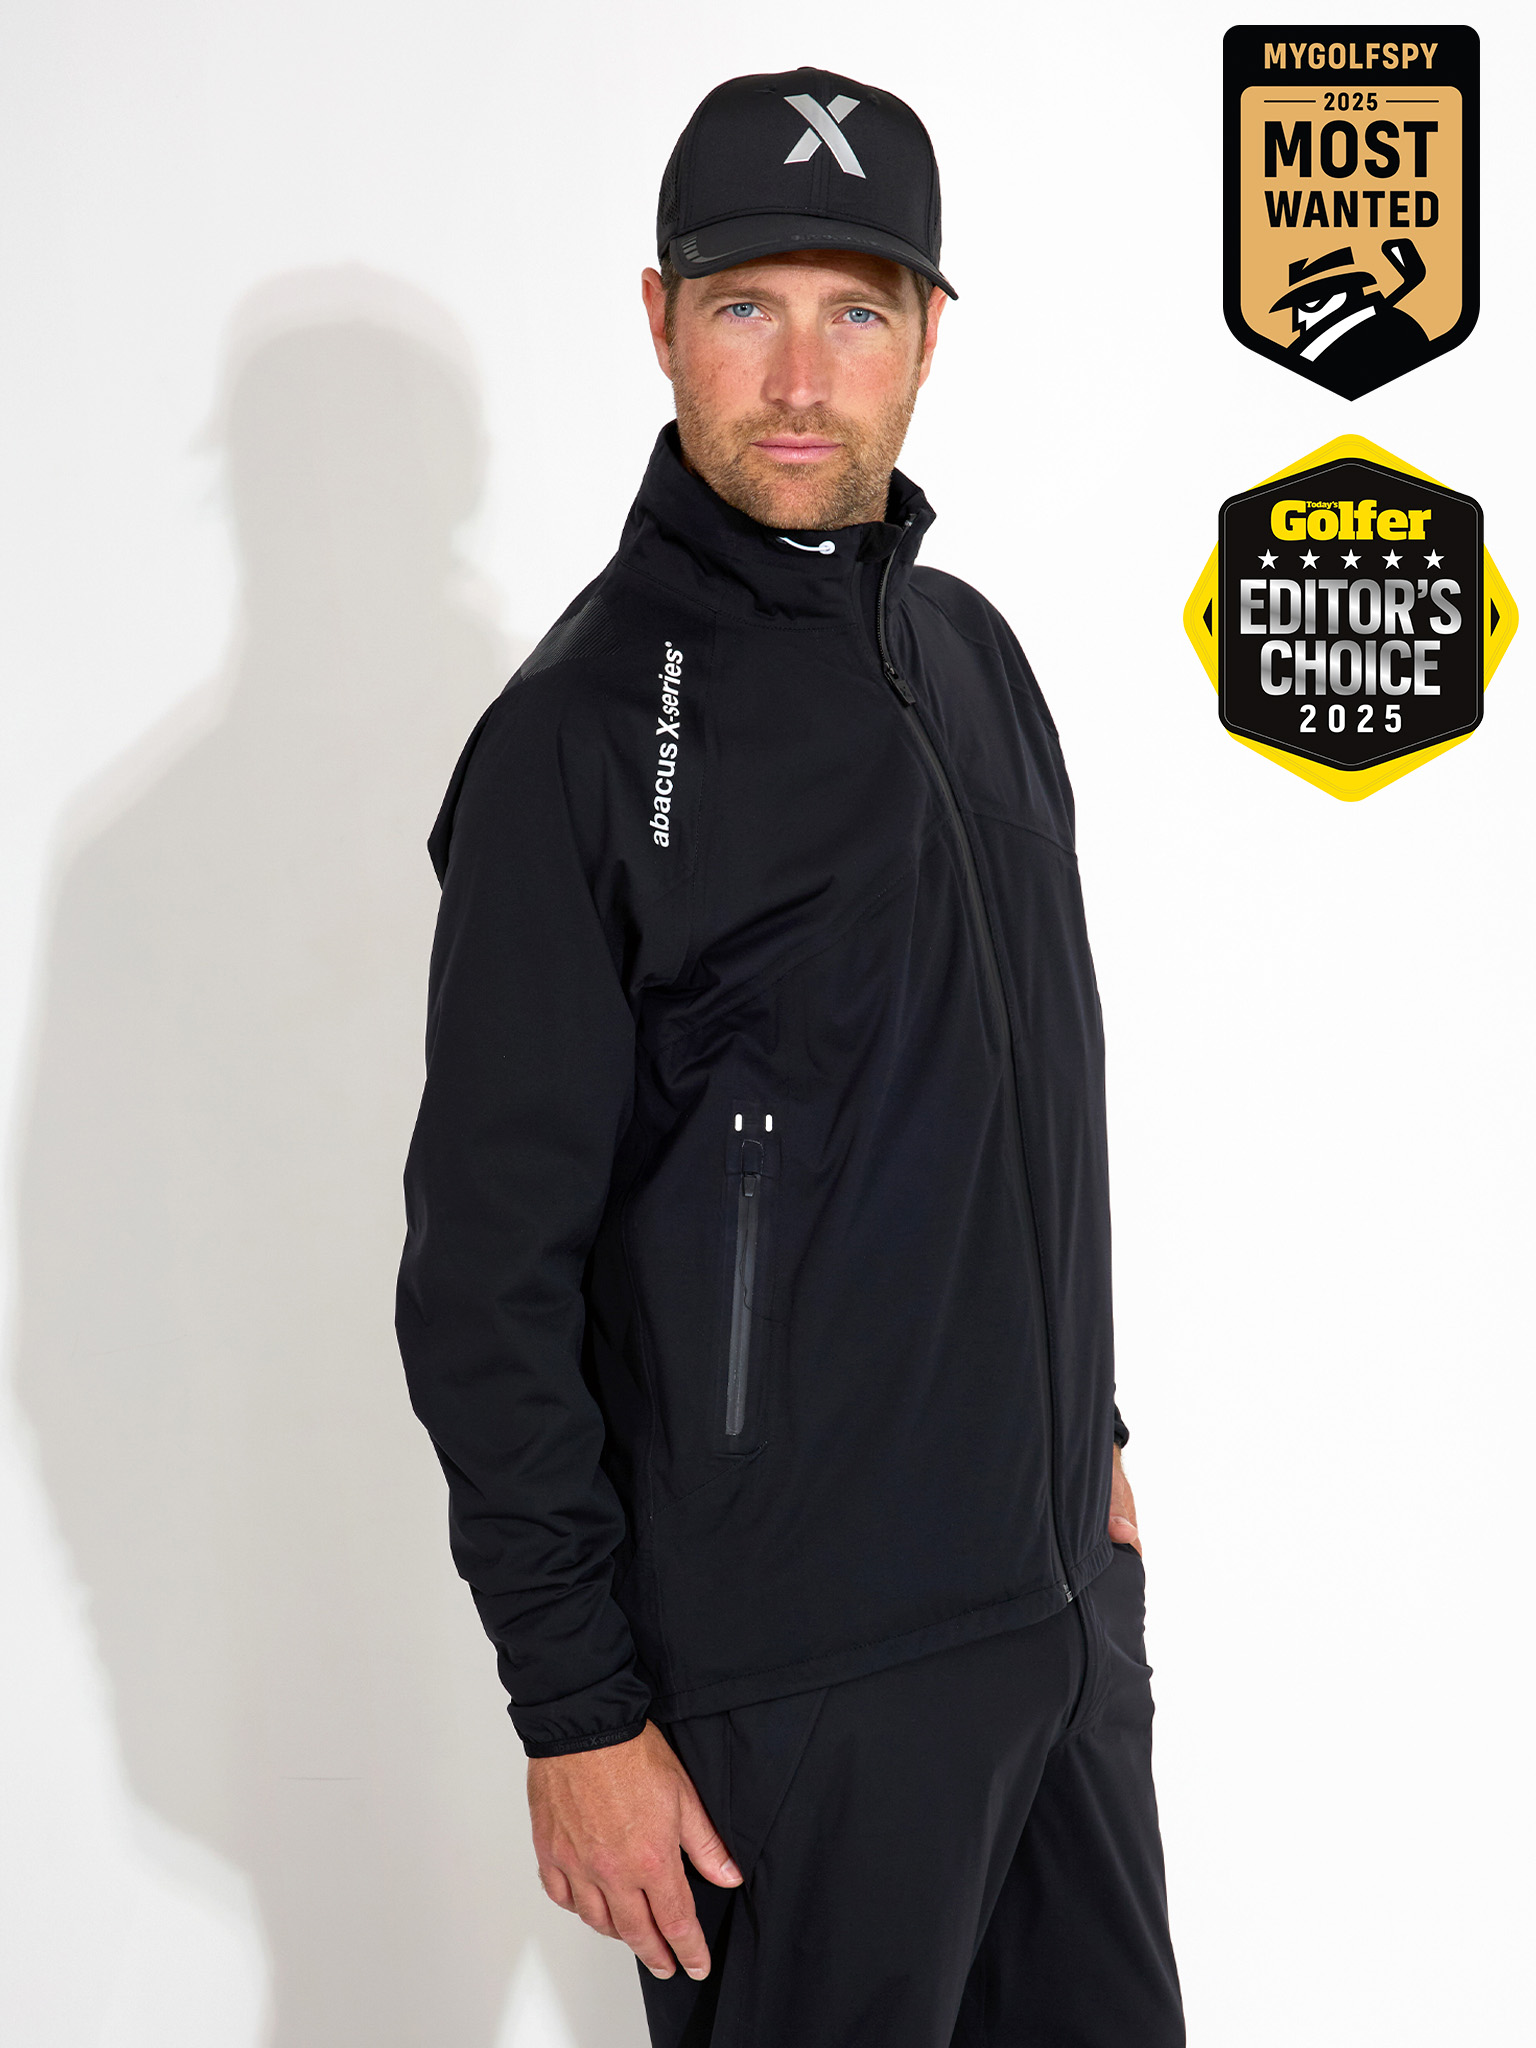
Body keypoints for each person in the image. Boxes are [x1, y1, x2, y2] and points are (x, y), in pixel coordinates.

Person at [396, 65, 1184, 2047]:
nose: (804, 378)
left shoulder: (975, 663)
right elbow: (484, 1277)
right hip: (793, 1689)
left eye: (858, 311)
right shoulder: (583, 734)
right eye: (749, 306)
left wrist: (1085, 1441)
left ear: (931, 335)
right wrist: (575, 1711)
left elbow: (1016, 1101)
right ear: (660, 318)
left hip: (1054, 1642)